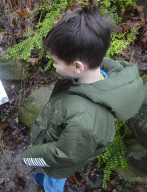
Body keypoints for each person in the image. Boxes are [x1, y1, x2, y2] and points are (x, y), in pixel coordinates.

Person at [21, 5, 145, 192]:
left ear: (78, 66)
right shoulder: (91, 75)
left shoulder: (86, 120)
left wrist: (30, 156)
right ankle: (46, 178)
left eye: (56, 62)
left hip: (58, 164)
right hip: (55, 142)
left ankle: (49, 187)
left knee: (53, 182)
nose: (53, 66)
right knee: (49, 174)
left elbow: (64, 154)